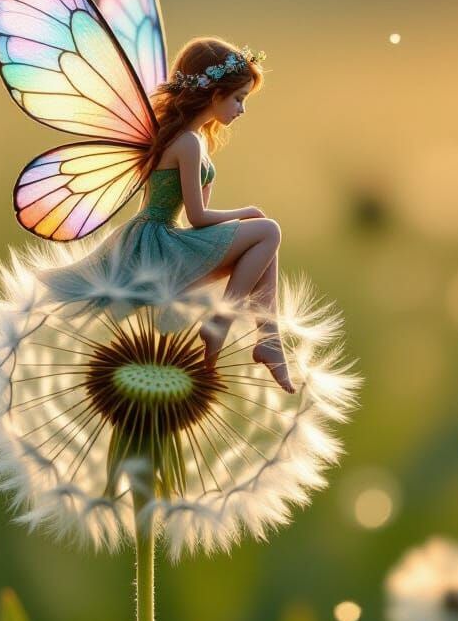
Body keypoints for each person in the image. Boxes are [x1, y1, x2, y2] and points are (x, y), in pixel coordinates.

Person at [41, 37, 294, 393]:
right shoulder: (188, 143)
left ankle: (269, 338)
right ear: (213, 94)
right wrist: (247, 212)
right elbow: (198, 216)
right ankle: (228, 324)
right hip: (156, 242)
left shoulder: (194, 140)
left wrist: (245, 220)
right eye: (239, 99)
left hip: (164, 238)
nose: (242, 109)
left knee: (264, 242)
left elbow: (195, 220)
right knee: (268, 232)